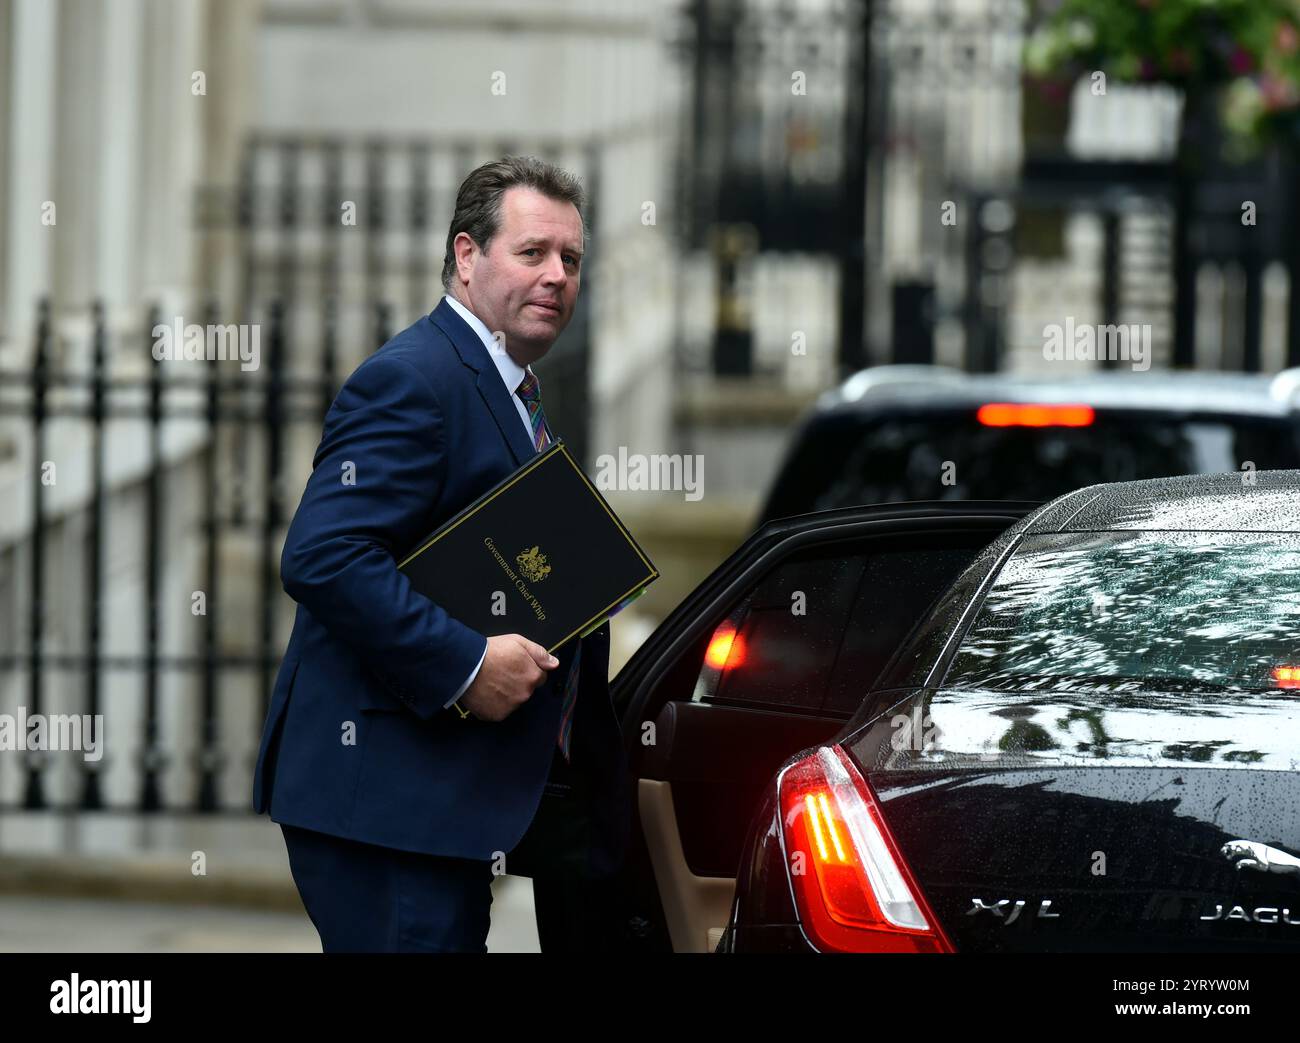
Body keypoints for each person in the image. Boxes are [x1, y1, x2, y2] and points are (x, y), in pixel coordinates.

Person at [251, 155, 632, 952]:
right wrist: (466, 663)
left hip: (445, 810)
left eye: (571, 258)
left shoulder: (509, 384)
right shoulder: (413, 380)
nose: (557, 275)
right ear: (466, 256)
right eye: (533, 253)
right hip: (387, 809)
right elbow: (323, 555)